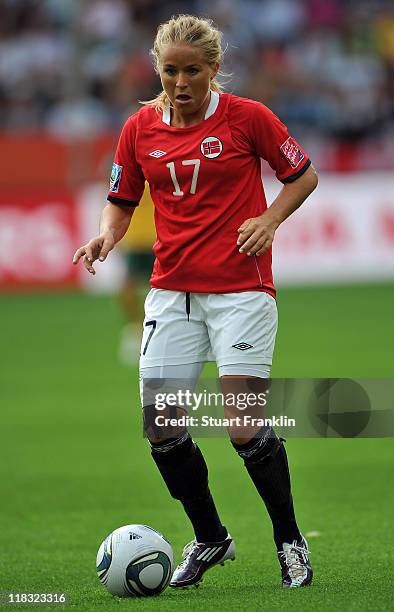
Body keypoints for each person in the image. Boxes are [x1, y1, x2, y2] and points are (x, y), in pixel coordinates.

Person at [73, 14, 318, 590]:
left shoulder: (247, 117)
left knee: (241, 426)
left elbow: (302, 175)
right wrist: (109, 232)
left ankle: (289, 541)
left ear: (214, 69)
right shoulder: (139, 127)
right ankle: (210, 538)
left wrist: (269, 218)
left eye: (193, 71)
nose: (181, 82)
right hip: (172, 292)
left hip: (241, 290)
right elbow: (121, 197)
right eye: (170, 70)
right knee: (161, 426)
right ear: (157, 70)